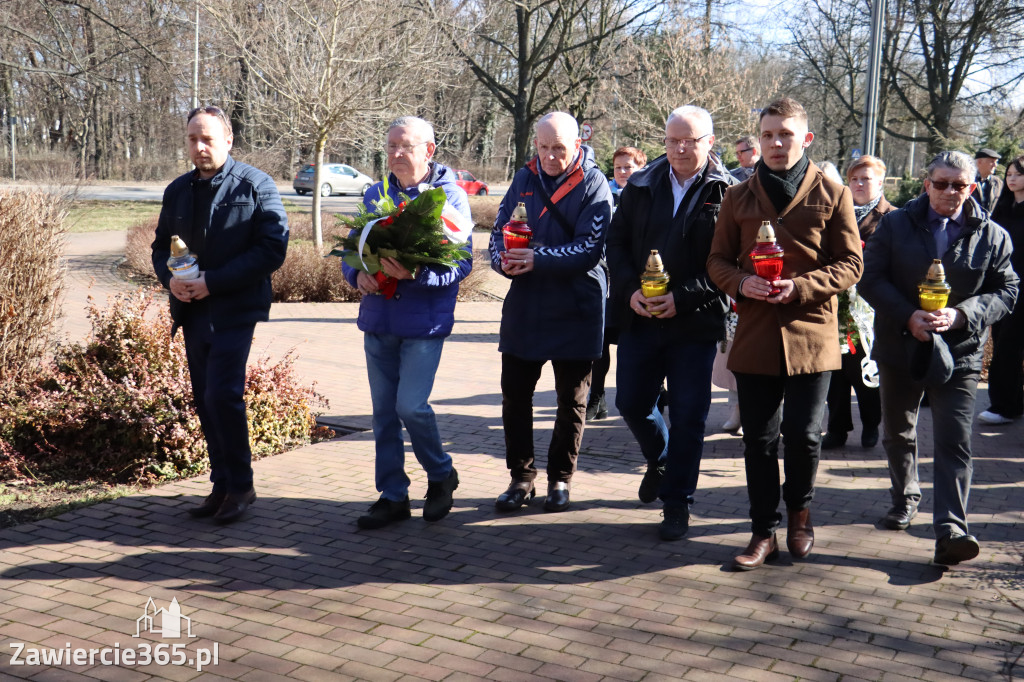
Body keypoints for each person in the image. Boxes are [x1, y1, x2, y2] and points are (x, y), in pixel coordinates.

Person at [707, 97, 863, 570]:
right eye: (768, 135)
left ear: (806, 139)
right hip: (755, 335)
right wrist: (741, 282)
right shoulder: (737, 197)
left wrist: (800, 286)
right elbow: (716, 262)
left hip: (811, 334)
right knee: (758, 439)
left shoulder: (833, 194)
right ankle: (762, 531)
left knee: (804, 436)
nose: (776, 143)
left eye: (785, 135)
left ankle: (800, 514)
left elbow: (852, 264)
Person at [859, 150, 1017, 565]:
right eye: (942, 183)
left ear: (973, 187)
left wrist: (964, 314)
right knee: (898, 431)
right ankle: (905, 494)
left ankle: (951, 529)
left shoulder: (993, 235)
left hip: (960, 353)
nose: (950, 192)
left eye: (959, 185)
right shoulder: (895, 225)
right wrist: (908, 315)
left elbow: (1008, 291)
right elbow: (869, 279)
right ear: (927, 184)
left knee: (954, 441)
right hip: (900, 347)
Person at [152, 105, 289, 524]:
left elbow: (272, 249)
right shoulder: (178, 190)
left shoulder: (255, 185)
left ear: (228, 140)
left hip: (234, 308)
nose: (199, 146)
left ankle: (241, 486)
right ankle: (221, 484)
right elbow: (160, 247)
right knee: (204, 400)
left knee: (222, 396)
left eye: (208, 138)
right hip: (192, 311)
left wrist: (213, 281)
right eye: (193, 139)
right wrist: (170, 280)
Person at [606, 106, 734, 540]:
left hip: (694, 324)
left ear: (709, 143)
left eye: (691, 140)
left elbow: (728, 264)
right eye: (673, 140)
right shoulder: (641, 184)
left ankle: (678, 503)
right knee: (631, 402)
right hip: (640, 316)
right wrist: (629, 292)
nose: (680, 148)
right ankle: (660, 457)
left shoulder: (727, 192)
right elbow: (617, 243)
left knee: (690, 417)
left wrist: (682, 299)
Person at [343, 116, 473, 530]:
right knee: (383, 414)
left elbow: (462, 262)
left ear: (429, 151)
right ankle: (393, 495)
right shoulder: (375, 194)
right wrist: (356, 275)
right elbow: (354, 250)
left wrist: (415, 275)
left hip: (423, 322)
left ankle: (441, 474)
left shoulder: (449, 197)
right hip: (379, 317)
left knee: (410, 407)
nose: (397, 154)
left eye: (406, 146)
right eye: (392, 146)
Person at [489, 111, 612, 513]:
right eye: (543, 147)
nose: (550, 156)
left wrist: (536, 258)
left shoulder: (595, 183)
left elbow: (590, 247)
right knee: (515, 398)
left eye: (559, 147)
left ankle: (561, 479)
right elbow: (498, 232)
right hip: (527, 302)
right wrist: (502, 261)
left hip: (577, 304)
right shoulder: (525, 177)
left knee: (571, 401)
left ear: (578, 144)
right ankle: (520, 478)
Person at [821, 155, 893, 450]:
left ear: (880, 182)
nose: (859, 184)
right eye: (854, 179)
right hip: (835, 305)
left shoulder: (892, 217)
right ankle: (837, 428)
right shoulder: (838, 211)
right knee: (835, 372)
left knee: (865, 370)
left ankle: (871, 424)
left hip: (871, 308)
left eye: (866, 178)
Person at [588, 146, 647, 421]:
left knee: (635, 343)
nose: (623, 172)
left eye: (629, 167)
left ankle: (653, 392)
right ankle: (597, 398)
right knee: (600, 344)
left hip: (636, 281)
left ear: (640, 168)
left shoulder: (649, 195)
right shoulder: (604, 195)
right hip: (607, 281)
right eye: (618, 168)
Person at [979, 155, 1024, 425]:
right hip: (1005, 287)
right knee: (1003, 344)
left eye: (1018, 173)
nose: (1011, 178)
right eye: (1009, 174)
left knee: (1011, 345)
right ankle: (1006, 404)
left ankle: (1008, 405)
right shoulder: (1003, 208)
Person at [971, 148, 1002, 215]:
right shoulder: (968, 180)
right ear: (979, 162)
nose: (995, 165)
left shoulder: (998, 182)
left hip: (990, 223)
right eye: (992, 162)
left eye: (996, 162)